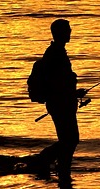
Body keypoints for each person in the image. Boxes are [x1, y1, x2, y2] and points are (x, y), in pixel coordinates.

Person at [31, 18, 87, 180]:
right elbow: (56, 83)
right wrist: (72, 94)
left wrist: (74, 93)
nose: (70, 32)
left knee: (68, 140)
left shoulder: (58, 52)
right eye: (67, 30)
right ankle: (44, 161)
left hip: (62, 103)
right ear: (59, 33)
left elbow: (61, 82)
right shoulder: (55, 54)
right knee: (70, 140)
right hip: (60, 104)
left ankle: (61, 169)